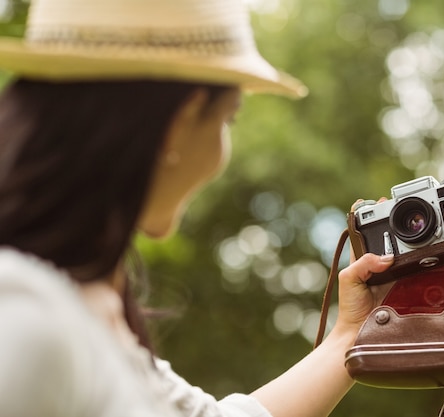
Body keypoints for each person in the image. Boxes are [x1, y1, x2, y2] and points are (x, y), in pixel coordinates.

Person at [0, 1, 396, 416]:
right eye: (228, 120)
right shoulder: (28, 318)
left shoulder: (88, 308)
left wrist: (353, 334)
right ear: (182, 122)